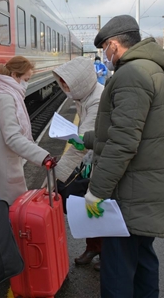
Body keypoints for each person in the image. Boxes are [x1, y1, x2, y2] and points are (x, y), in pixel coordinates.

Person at [82, 15, 164, 297]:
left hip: (132, 192)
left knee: (118, 269)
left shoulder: (131, 75)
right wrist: (86, 139)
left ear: (113, 45)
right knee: (143, 260)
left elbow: (124, 142)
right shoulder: (149, 69)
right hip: (147, 187)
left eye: (104, 49)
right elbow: (134, 131)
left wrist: (96, 192)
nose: (104, 56)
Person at [0, 56, 57, 205]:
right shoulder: (6, 99)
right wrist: (43, 157)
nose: (26, 84)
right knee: (7, 216)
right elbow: (12, 138)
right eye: (26, 79)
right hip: (1, 173)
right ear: (14, 75)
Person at [49, 56, 104, 270]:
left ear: (80, 82)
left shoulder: (97, 100)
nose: (65, 89)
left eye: (68, 84)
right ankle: (94, 247)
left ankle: (104, 252)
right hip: (91, 160)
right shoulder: (85, 96)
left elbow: (83, 142)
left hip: (97, 160)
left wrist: (59, 173)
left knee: (97, 207)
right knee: (88, 207)